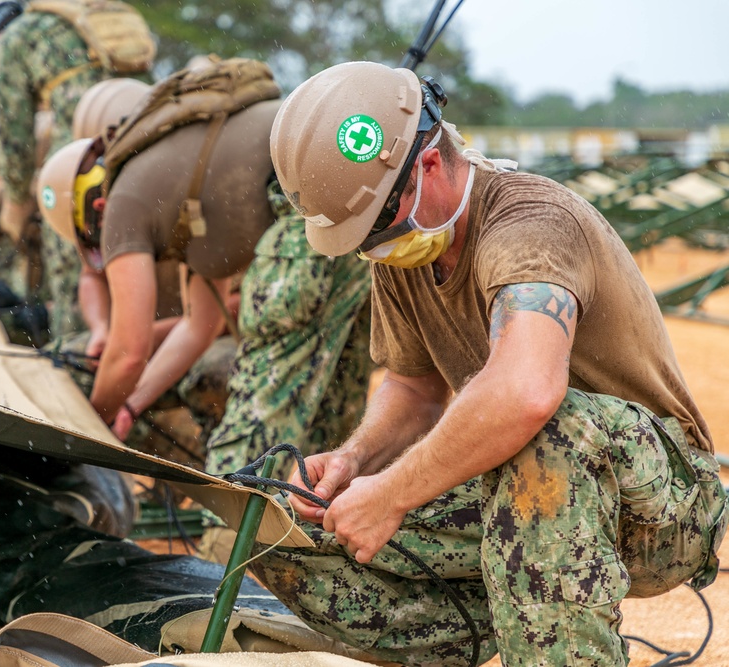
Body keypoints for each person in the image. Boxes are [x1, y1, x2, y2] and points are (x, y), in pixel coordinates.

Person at [254, 61, 729, 667]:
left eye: (375, 227)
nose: (373, 249)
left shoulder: (530, 226)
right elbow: (412, 388)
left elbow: (527, 394)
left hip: (658, 509)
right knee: (303, 542)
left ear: (427, 164)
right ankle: (505, 627)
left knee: (546, 429)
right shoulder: (406, 247)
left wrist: (393, 494)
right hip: (523, 498)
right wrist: (355, 464)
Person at [36, 59, 373, 504]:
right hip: (356, 197)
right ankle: (331, 522)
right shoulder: (172, 173)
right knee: (335, 415)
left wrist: (88, 424)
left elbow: (128, 350)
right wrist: (132, 406)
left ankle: (232, 548)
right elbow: (200, 325)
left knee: (241, 468)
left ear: (90, 211)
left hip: (308, 211)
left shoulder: (120, 202)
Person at [0, 0, 154, 338]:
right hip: (143, 133)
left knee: (69, 245)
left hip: (87, 144)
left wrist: (15, 200)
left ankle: (72, 348)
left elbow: (13, 135)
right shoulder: (80, 22)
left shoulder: (12, 43)